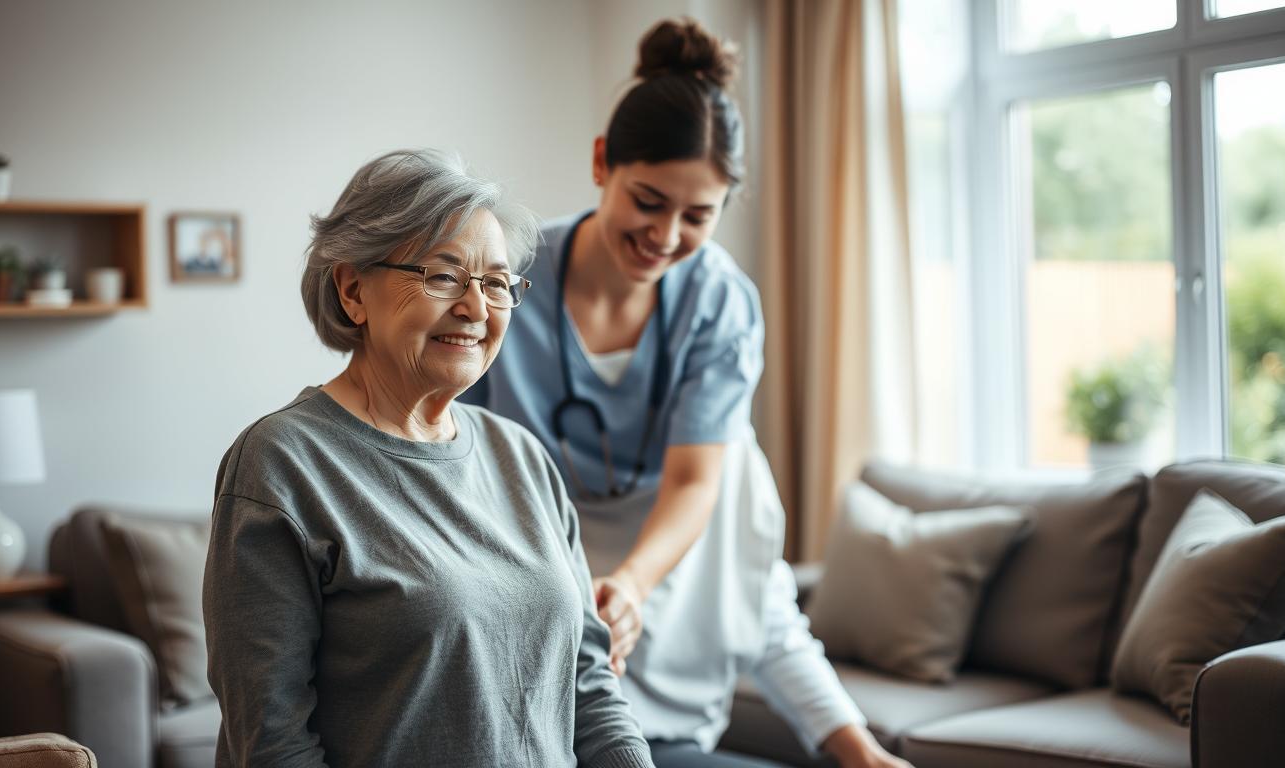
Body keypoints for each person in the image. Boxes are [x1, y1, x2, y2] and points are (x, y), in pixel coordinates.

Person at [463, 18, 911, 768]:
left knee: (734, 456)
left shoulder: (720, 304)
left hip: (656, 617)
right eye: (649, 200)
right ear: (603, 163)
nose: (666, 236)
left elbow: (708, 500)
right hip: (530, 594)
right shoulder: (507, 279)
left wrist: (631, 586)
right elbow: (462, 469)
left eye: (698, 215)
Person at [203, 149, 656, 768]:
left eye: (496, 283)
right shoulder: (282, 465)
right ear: (353, 289)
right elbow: (273, 743)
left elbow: (590, 688)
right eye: (443, 276)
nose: (475, 308)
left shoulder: (520, 457)